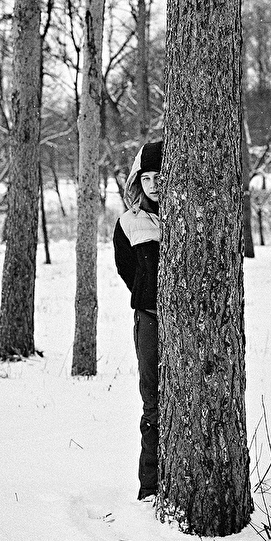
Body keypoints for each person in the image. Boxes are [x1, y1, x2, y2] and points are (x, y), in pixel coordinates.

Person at [113, 140, 162, 501]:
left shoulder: (186, 214)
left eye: (160, 176)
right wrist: (147, 293)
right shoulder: (129, 222)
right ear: (137, 181)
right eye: (146, 178)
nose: (153, 184)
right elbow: (126, 269)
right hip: (149, 320)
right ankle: (151, 487)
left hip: (189, 325)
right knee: (153, 402)